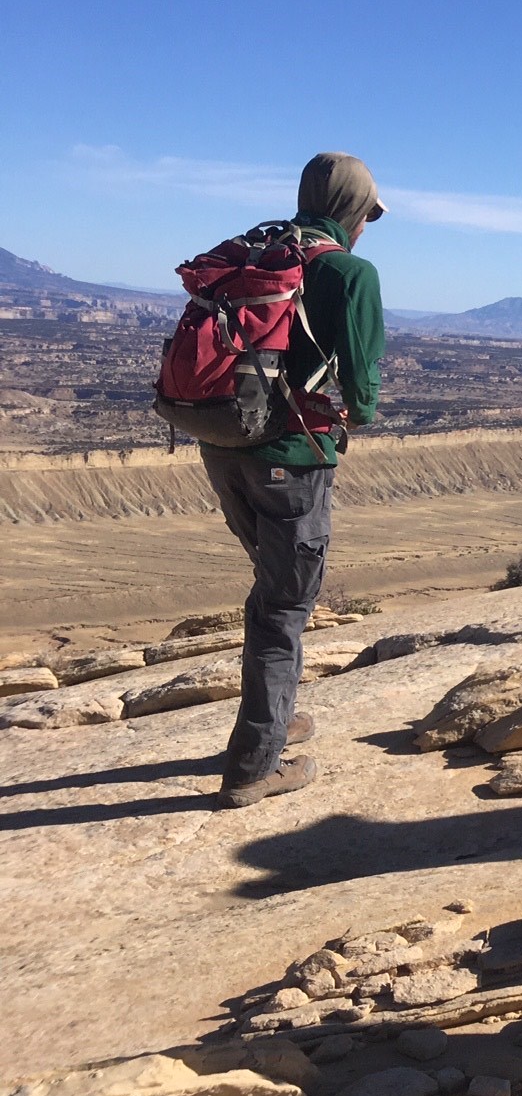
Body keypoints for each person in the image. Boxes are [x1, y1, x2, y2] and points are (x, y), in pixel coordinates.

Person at [201, 152, 387, 808]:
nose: (367, 226)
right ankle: (254, 767)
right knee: (284, 608)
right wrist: (353, 419)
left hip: (222, 446)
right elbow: (362, 388)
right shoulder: (348, 272)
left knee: (273, 594)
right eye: (366, 213)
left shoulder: (256, 250)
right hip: (290, 460)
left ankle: (272, 722)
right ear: (352, 210)